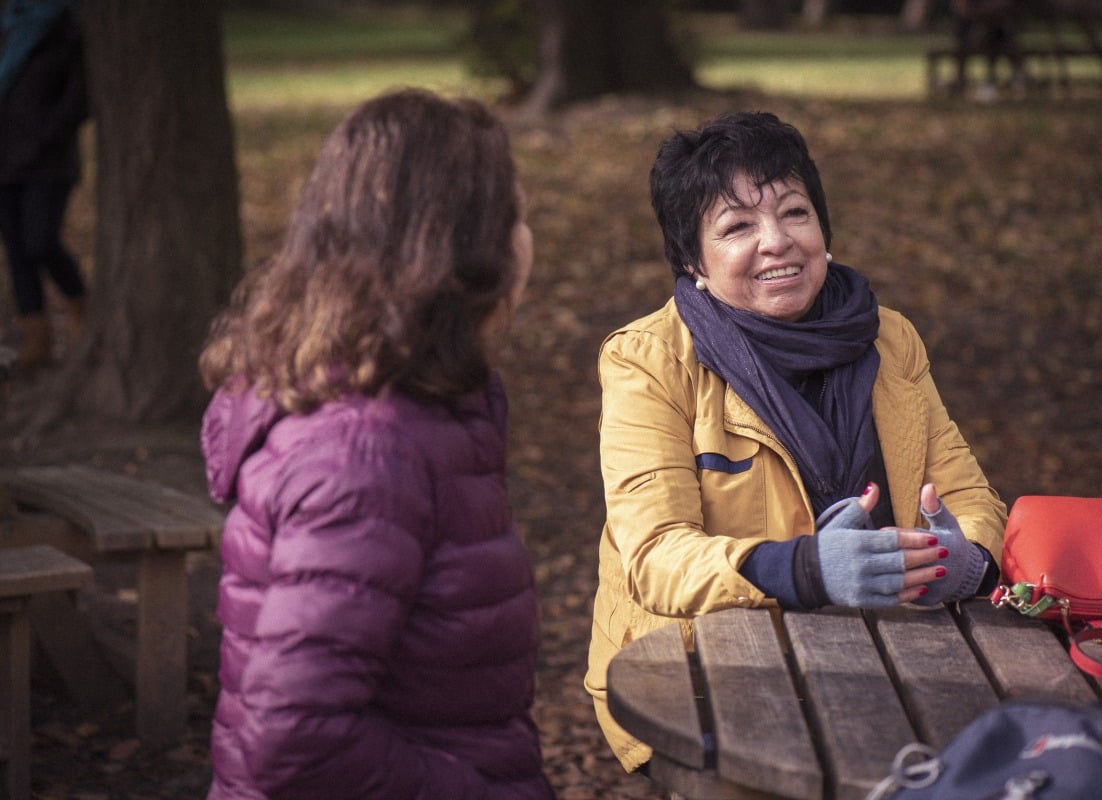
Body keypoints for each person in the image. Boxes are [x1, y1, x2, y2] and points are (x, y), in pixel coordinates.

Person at [585, 111, 1008, 773]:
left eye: (794, 213)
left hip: (894, 653)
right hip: (702, 672)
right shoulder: (649, 361)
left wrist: (967, 557)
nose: (777, 241)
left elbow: (972, 500)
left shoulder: (888, 338)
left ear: (824, 230)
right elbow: (656, 556)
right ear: (694, 259)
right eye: (738, 226)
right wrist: (805, 567)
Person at [198, 88, 553, 800]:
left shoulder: (426, 408)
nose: (526, 237)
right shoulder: (366, 452)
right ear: (459, 247)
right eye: (515, 216)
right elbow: (294, 741)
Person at [0, 0, 89, 370]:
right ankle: (36, 344)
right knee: (17, 251)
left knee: (40, 241)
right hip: (3, 160)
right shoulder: (6, 26)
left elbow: (81, 97)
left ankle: (83, 314)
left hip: (46, 162)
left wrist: (46, 136)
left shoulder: (66, 28)